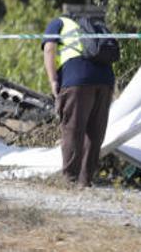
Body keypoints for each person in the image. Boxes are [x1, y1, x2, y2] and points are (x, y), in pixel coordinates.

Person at [41, 15, 115, 188]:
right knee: (95, 132)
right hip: (105, 80)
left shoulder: (57, 22)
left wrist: (53, 80)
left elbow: (49, 49)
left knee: (73, 129)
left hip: (77, 79)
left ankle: (69, 180)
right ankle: (85, 180)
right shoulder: (94, 26)